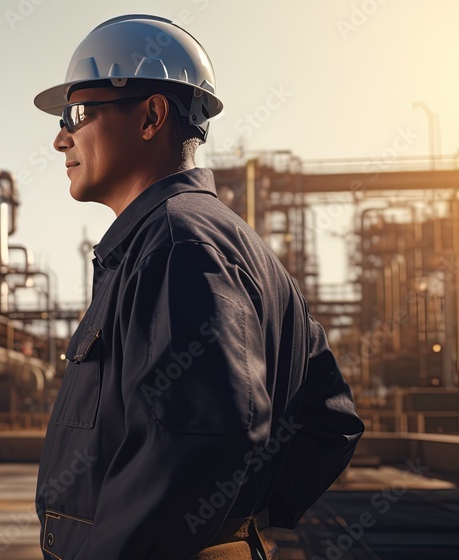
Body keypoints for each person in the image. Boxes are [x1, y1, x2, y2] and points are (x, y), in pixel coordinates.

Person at [32, 14, 364, 560]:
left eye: (79, 112)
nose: (59, 137)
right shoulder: (223, 243)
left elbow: (202, 441)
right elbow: (330, 421)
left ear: (151, 116)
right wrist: (241, 523)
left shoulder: (177, 245)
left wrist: (212, 535)